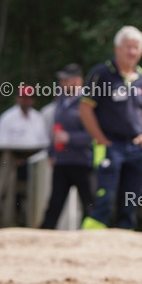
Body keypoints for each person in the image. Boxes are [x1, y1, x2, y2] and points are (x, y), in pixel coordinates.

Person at [79, 25, 142, 230]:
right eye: (128, 47)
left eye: (136, 47)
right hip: (110, 144)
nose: (132, 52)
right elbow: (85, 109)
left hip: (135, 146)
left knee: (131, 198)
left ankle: (124, 238)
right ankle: (91, 237)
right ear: (117, 48)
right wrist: (100, 138)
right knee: (105, 195)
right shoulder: (101, 73)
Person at [39, 64, 94, 229]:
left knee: (89, 203)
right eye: (61, 80)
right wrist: (51, 153)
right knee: (54, 203)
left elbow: (94, 134)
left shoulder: (88, 102)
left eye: (66, 80)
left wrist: (70, 138)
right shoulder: (60, 101)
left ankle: (92, 237)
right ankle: (44, 236)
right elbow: (55, 130)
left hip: (84, 162)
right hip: (62, 160)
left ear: (78, 81)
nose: (62, 83)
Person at [0, 84, 50, 182]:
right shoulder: (7, 118)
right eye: (23, 97)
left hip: (35, 162)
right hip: (14, 161)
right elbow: (0, 142)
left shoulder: (38, 118)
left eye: (28, 98)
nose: (26, 101)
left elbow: (44, 143)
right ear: (17, 98)